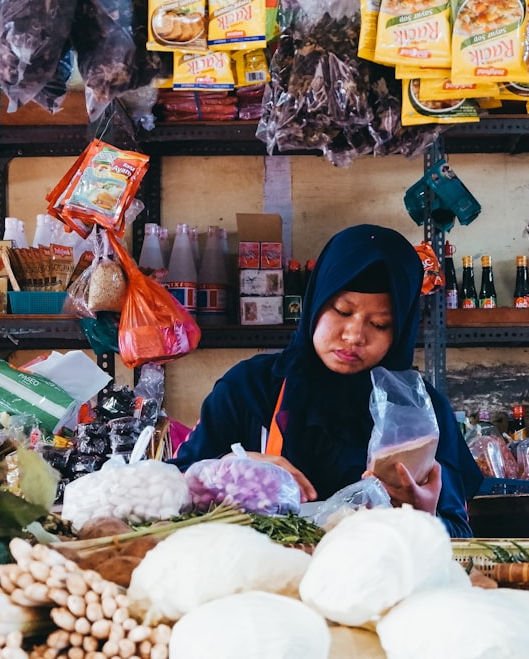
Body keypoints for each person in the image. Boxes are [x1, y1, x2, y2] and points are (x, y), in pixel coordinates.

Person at [173, 224, 483, 537]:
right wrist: (230, 466)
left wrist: (424, 517)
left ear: (402, 331)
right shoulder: (249, 388)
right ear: (316, 302)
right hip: (260, 577)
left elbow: (458, 532)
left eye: (380, 323)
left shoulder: (420, 415)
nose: (354, 336)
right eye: (341, 310)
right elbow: (173, 489)